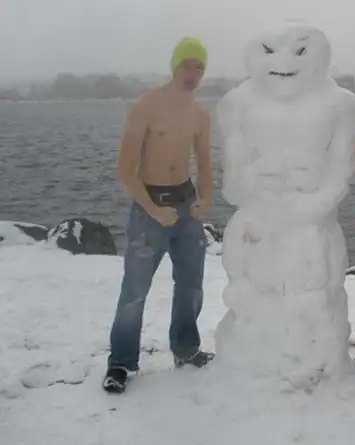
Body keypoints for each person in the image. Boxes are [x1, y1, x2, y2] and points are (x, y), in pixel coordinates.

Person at [102, 37, 214, 393]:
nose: (192, 73)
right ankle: (121, 363)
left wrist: (205, 197)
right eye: (186, 65)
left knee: (192, 284)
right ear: (174, 66)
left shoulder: (199, 114)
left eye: (199, 67)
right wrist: (154, 210)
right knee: (135, 290)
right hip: (150, 206)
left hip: (186, 204)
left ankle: (186, 349)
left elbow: (205, 163)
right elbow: (125, 169)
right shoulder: (146, 106)